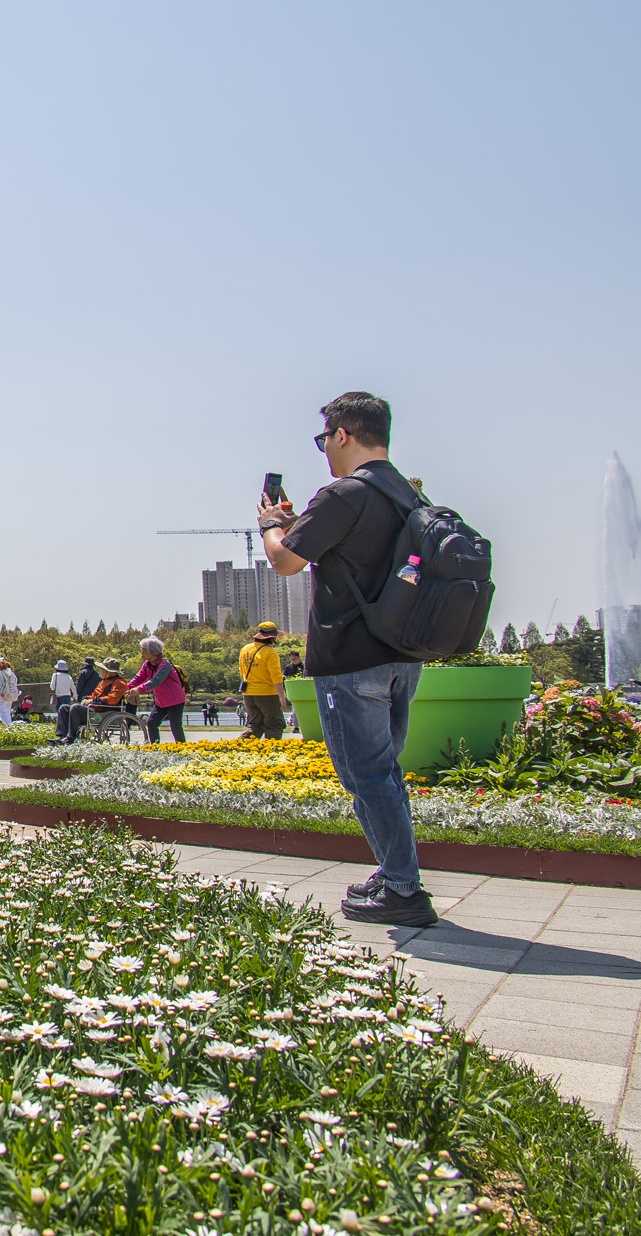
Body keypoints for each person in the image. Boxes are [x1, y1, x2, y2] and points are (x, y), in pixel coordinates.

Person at [262, 390, 437, 927]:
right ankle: (394, 874)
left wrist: (271, 523)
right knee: (384, 773)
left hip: (352, 659)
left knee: (367, 778)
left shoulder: (342, 494)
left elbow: (285, 563)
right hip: (403, 656)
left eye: (324, 440)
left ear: (341, 435)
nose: (324, 451)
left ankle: (404, 889)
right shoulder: (409, 494)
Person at [126, 637, 188, 743]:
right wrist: (125, 687)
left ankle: (184, 751)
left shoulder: (165, 664)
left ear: (152, 651)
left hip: (175, 700)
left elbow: (156, 681)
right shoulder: (147, 664)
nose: (141, 653)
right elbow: (138, 678)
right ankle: (155, 749)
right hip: (161, 702)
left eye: (143, 650)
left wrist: (139, 689)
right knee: (152, 723)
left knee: (176, 726)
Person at [238, 622, 287, 740]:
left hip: (248, 694)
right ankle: (271, 753)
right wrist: (282, 697)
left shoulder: (245, 649)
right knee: (274, 725)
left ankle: (240, 749)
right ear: (271, 637)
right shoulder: (270, 653)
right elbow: (276, 676)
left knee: (255, 725)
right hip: (267, 694)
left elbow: (241, 671)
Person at [0, 657, 20, 725]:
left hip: (0, 694)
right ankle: (9, 723)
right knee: (7, 711)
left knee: (2, 712)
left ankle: (8, 724)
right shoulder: (12, 673)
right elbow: (15, 682)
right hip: (10, 694)